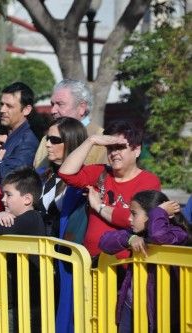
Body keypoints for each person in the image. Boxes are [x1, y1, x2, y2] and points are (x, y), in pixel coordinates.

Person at [58, 120, 161, 258]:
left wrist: (98, 206)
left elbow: (133, 219)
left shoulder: (149, 181)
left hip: (124, 268)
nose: (114, 153)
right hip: (91, 264)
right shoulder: (100, 172)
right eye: (110, 148)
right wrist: (91, 140)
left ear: (136, 150)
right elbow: (66, 173)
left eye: (120, 147)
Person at [99, 190, 191, 332]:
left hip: (159, 311)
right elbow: (105, 242)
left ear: (153, 216)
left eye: (134, 214)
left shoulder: (178, 233)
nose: (129, 218)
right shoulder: (137, 234)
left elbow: (159, 236)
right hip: (130, 305)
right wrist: (129, 239)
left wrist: (160, 211)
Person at [0, 167, 44, 333]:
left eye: (8, 195)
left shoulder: (31, 218)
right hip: (12, 298)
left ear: (27, 199)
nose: (3, 200)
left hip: (28, 301)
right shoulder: (12, 218)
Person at [34, 79, 106, 169]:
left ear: (81, 107)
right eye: (52, 104)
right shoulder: (47, 139)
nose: (53, 110)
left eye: (60, 104)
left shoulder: (102, 141)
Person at [37, 117, 88, 239]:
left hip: (64, 251)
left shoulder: (85, 180)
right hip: (35, 249)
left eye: (54, 140)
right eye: (47, 138)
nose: (47, 144)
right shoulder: (40, 174)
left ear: (71, 142)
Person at [0, 82, 39, 184]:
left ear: (26, 110)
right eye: (1, 104)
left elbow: (11, 180)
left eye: (9, 106)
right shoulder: (1, 135)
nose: (2, 110)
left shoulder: (27, 142)